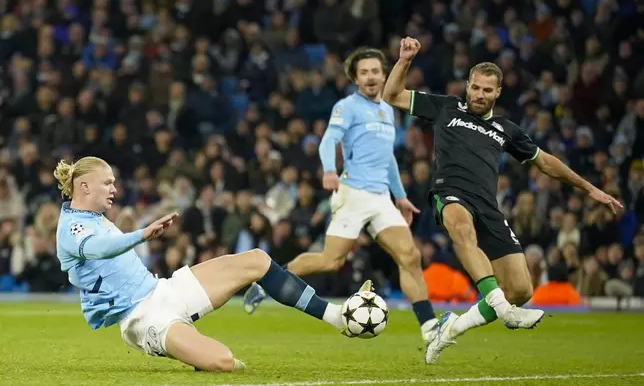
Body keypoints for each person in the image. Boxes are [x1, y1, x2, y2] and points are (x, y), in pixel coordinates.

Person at [382, 37, 623, 363]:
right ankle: (504, 312)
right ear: (467, 85)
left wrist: (589, 188)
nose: (479, 94)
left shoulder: (505, 129)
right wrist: (405, 61)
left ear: (498, 93)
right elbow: (392, 95)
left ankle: (452, 327)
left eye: (487, 90)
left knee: (521, 290)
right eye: (475, 87)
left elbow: (546, 162)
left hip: (488, 206)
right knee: (463, 232)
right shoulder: (446, 107)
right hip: (450, 193)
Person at [53, 156, 369, 372]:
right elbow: (99, 249)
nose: (114, 189)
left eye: (113, 183)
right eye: (107, 183)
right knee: (224, 363)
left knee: (256, 260)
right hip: (142, 318)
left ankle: (338, 317)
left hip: (163, 290)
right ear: (85, 187)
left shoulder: (92, 217)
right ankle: (183, 342)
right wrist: (142, 234)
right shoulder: (72, 228)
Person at [244, 47, 440, 349]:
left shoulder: (388, 110)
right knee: (330, 260)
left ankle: (430, 329)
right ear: (355, 78)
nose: (371, 77)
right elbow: (329, 140)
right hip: (353, 194)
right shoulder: (347, 107)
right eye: (364, 72)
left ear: (384, 74)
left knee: (410, 256)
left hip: (380, 198)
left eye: (376, 71)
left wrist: (400, 197)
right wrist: (329, 170)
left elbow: (387, 159)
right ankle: (267, 281)